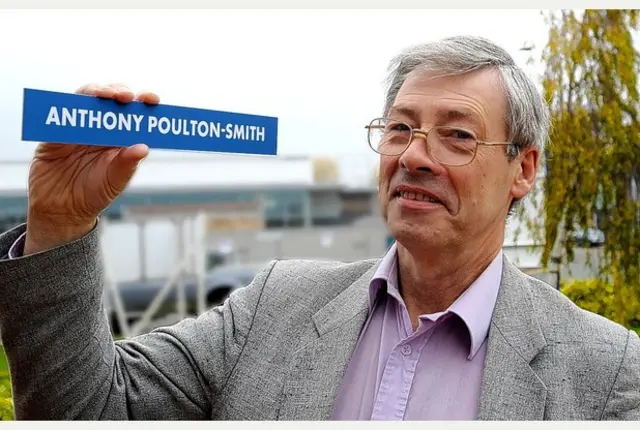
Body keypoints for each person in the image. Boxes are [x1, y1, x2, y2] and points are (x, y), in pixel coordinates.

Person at [0, 35, 638, 421]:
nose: (414, 154)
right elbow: (83, 410)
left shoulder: (608, 373)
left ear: (522, 168)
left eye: (458, 135)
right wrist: (61, 221)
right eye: (399, 128)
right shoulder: (274, 306)